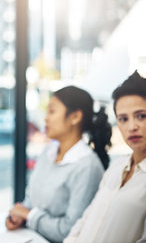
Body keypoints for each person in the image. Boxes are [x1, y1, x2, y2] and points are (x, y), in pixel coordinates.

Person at [6, 86, 112, 243]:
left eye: (52, 111)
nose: (45, 118)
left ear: (75, 117)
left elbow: (69, 231)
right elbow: (31, 200)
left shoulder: (87, 166)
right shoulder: (48, 152)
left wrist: (29, 215)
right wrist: (18, 216)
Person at [64, 71, 146, 243]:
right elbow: (85, 221)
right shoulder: (116, 168)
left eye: (141, 116)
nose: (132, 126)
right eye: (123, 119)